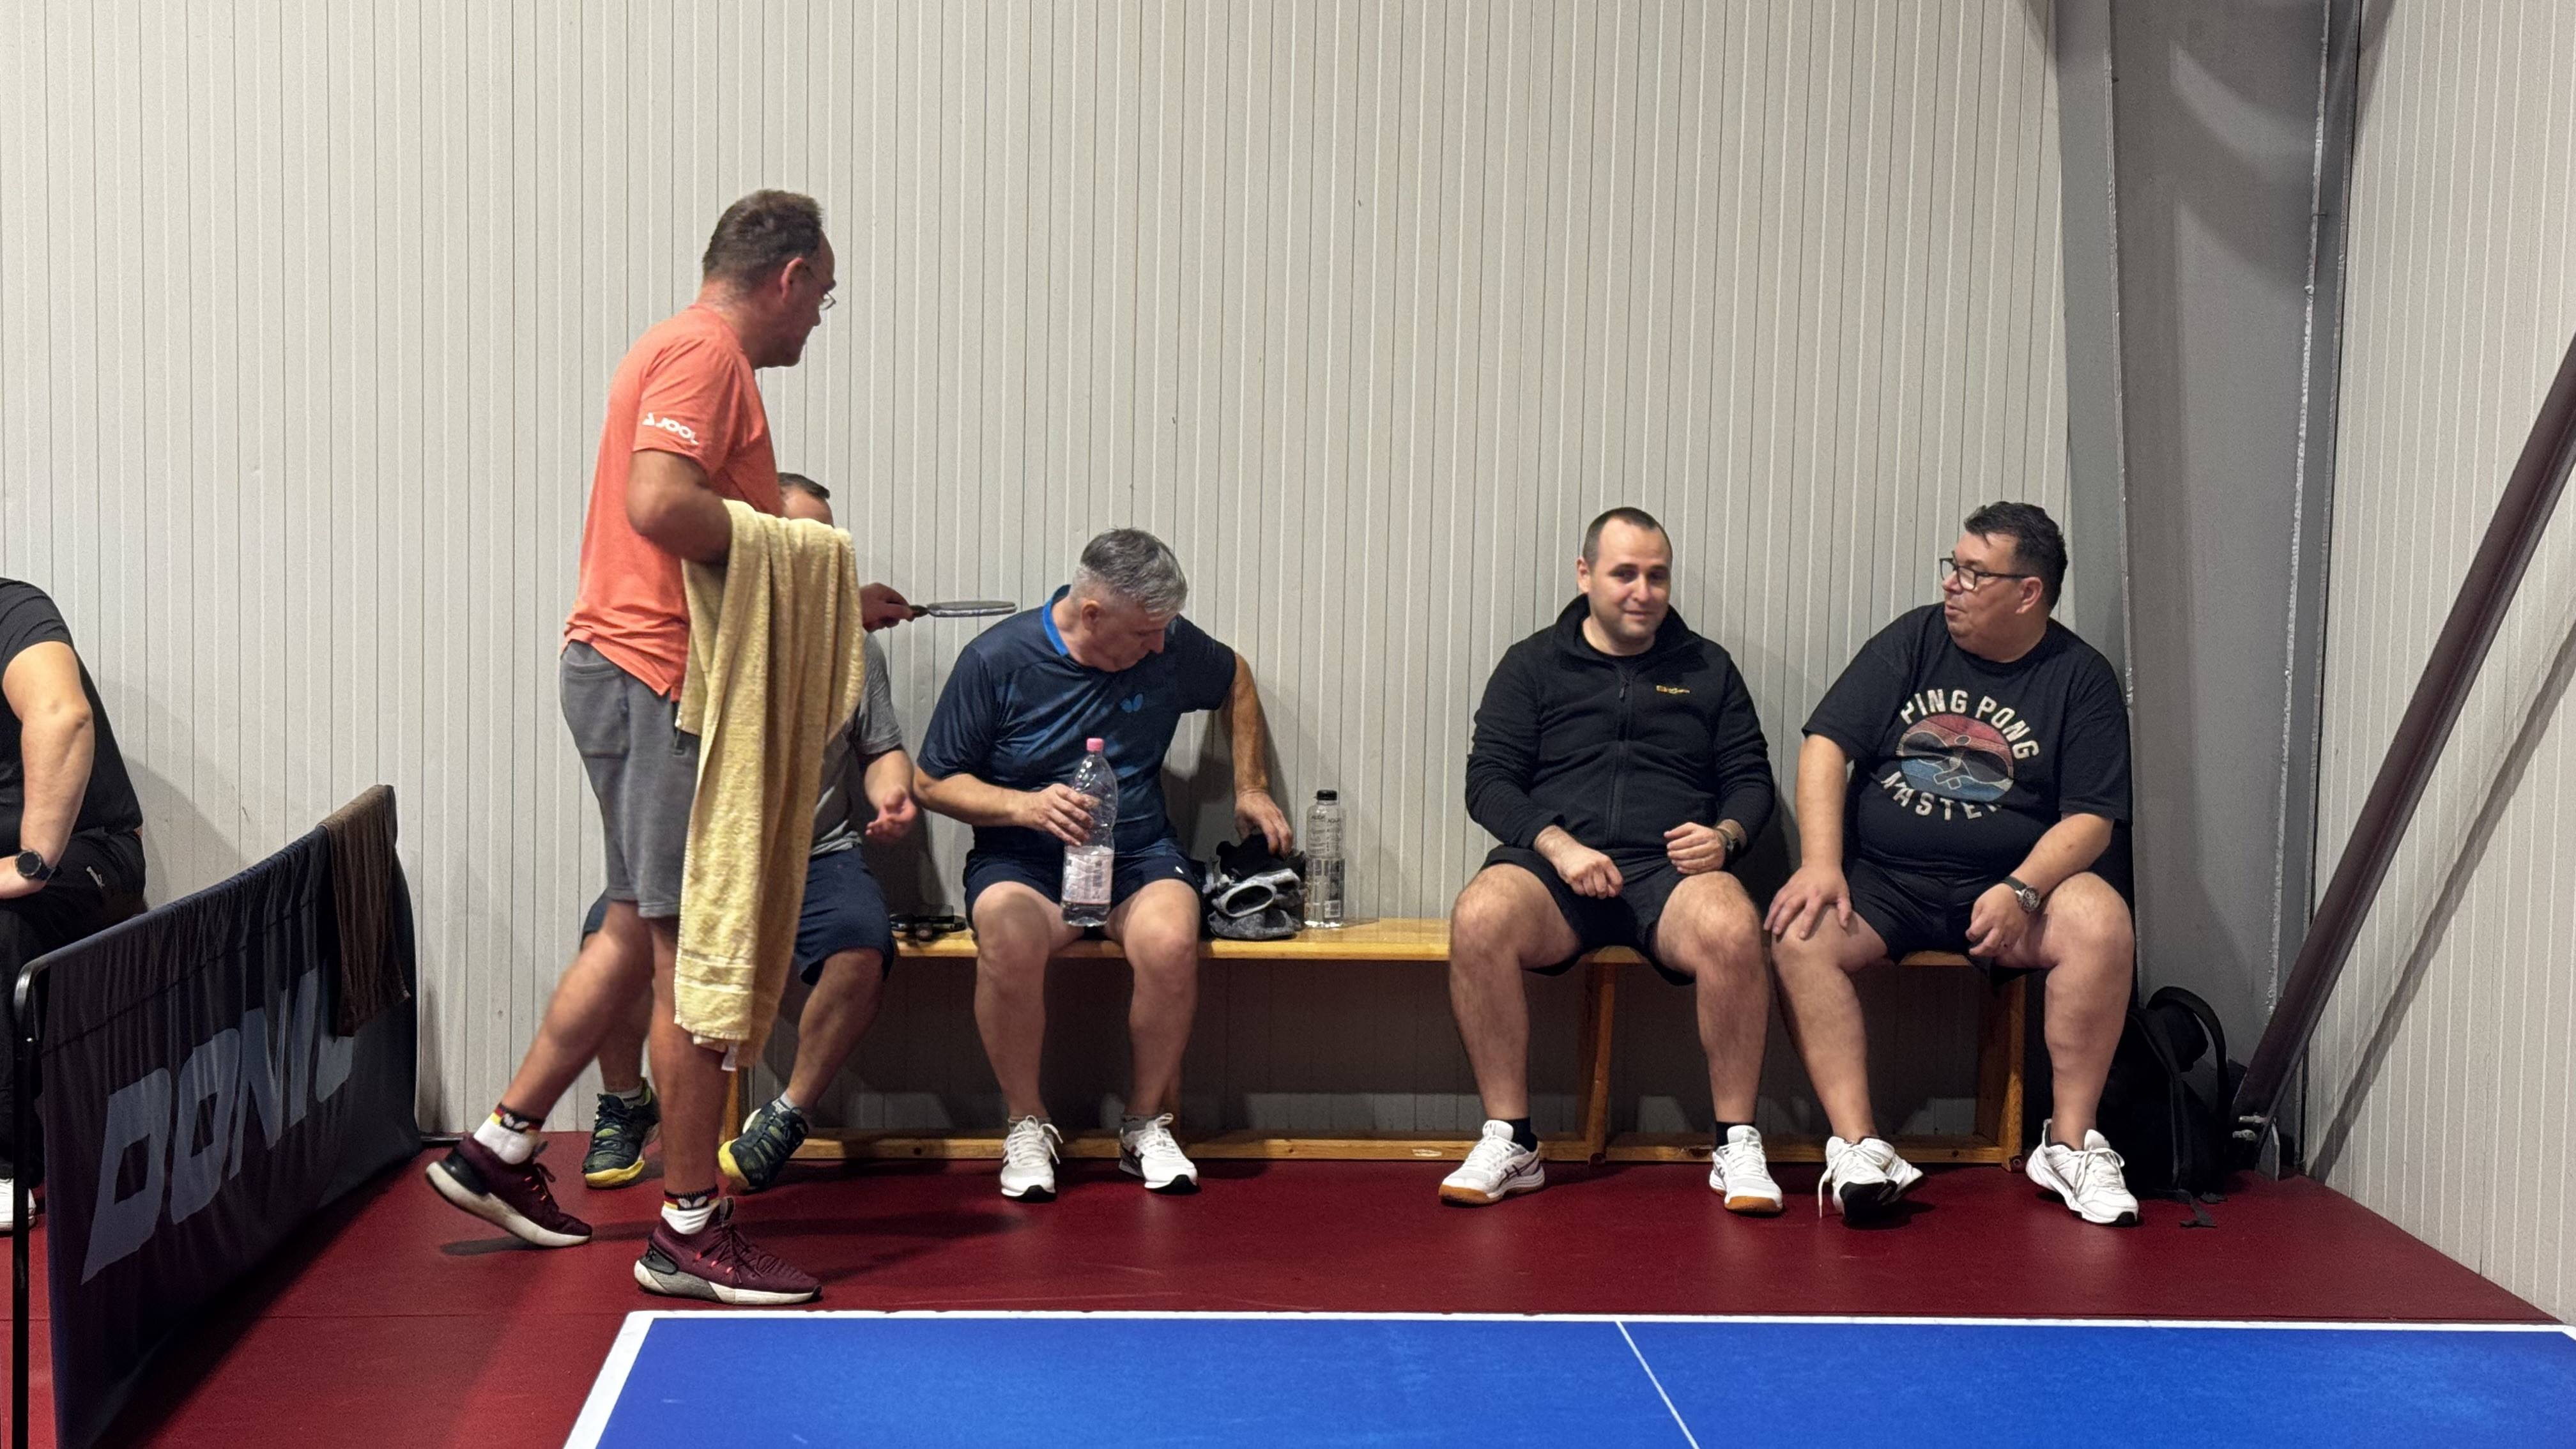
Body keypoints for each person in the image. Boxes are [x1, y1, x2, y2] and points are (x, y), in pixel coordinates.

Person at [423, 191, 905, 1305]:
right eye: (822, 297)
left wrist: (833, 601)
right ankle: (688, 1224)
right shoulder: (705, 353)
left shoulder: (676, 348)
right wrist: (809, 551)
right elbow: (658, 504)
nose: (817, 318)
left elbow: (702, 549)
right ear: (787, 276)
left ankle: (499, 1147)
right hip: (658, 677)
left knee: (634, 923)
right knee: (696, 946)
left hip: (624, 666)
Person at [1768, 501, 2140, 1227]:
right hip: (1884, 884)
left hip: (2006, 890)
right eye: (1954, 566)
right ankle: (1859, 1148)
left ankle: (2070, 1145)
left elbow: (2092, 819)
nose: (1952, 584)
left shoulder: (2079, 677)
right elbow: (1826, 746)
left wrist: (2024, 889)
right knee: (1799, 931)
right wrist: (1820, 863)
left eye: (1974, 573)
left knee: (2102, 921)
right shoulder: (1914, 639)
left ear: (2028, 592)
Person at [914, 528, 1290, 1202]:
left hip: (1137, 855)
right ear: (1092, 614)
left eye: (1165, 630)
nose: (1160, 646)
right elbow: (932, 782)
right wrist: (1025, 806)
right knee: (1005, 936)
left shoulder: (1168, 643)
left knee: (1172, 940)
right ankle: (1026, 1124)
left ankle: (1145, 1124)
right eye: (1145, 633)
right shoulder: (997, 660)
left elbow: (1234, 676)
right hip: (1025, 862)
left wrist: (1252, 786)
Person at [574, 474, 920, 1193]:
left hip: (816, 854)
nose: (820, 555)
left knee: (862, 947)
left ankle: (789, 1114)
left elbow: (882, 751)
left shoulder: (854, 649)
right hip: (704, 856)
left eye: (828, 541)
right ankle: (625, 1103)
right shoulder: (694, 639)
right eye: (801, 541)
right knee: (607, 938)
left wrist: (893, 797)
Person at [1438, 508, 1779, 1210]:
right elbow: (1489, 782)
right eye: (1625, 573)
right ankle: (1512, 1139)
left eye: (1657, 576)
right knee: (1479, 915)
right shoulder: (1532, 664)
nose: (1643, 592)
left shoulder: (1708, 667)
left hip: (1670, 873)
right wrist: (1557, 844)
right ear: (1585, 574)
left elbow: (1750, 778)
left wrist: (1726, 837)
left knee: (1733, 924)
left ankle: (1737, 1142)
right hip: (1556, 870)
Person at [0, 580, 148, 1232]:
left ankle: (8, 1170)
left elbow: (62, 715)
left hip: (86, 854)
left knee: (3, 926)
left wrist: (31, 863)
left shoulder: (11, 610)